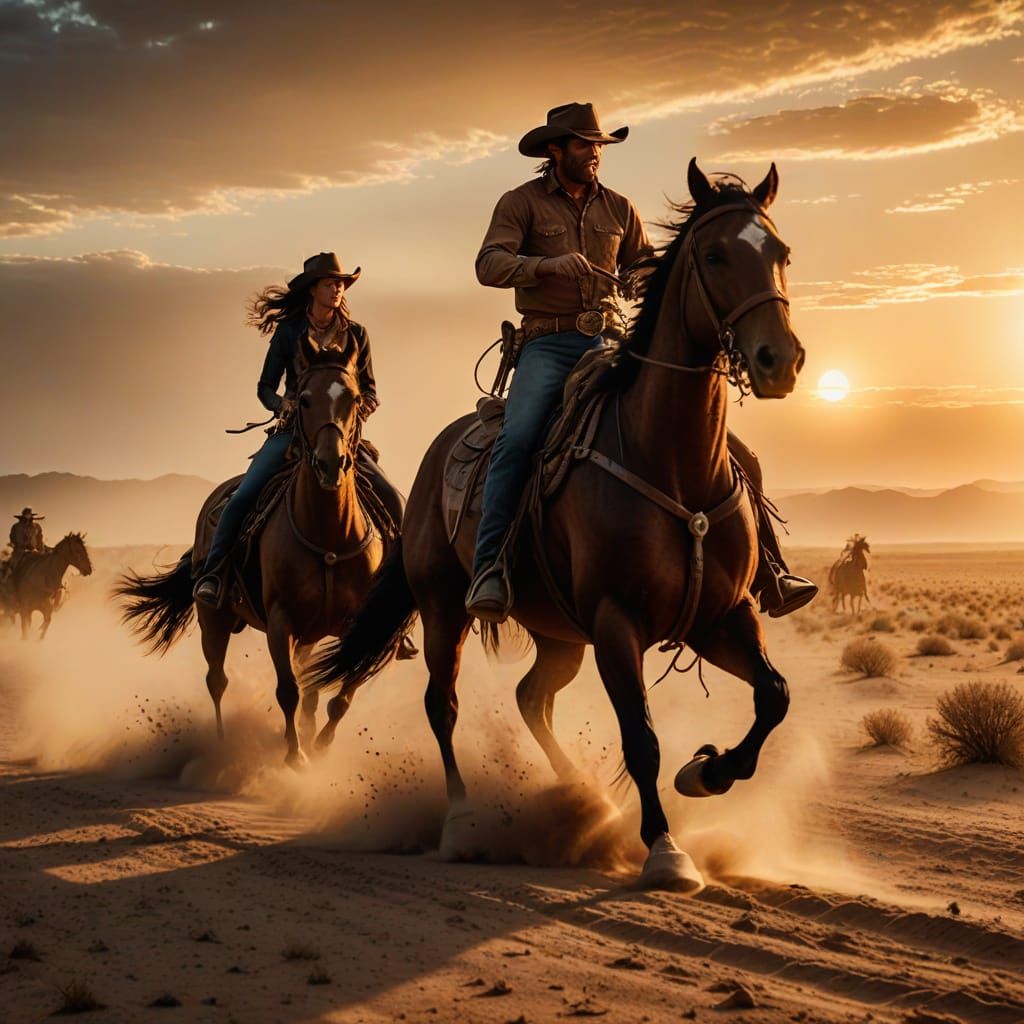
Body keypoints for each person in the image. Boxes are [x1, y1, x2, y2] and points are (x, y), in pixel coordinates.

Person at [465, 102, 817, 622]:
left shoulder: (619, 208)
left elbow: (641, 269)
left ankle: (769, 568)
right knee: (518, 439)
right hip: (547, 344)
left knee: (735, 451)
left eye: (599, 146)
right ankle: (490, 566)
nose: (595, 154)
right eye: (585, 145)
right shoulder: (522, 203)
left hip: (609, 342)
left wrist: (637, 278)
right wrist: (546, 265)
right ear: (556, 150)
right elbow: (488, 264)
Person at [192, 253, 407, 618]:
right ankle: (214, 576)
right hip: (294, 434)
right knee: (242, 498)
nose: (337, 288)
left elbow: (370, 388)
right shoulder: (289, 332)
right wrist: (282, 405)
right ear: (313, 290)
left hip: (344, 436)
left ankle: (396, 601)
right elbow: (264, 388)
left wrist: (363, 406)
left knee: (393, 500)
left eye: (341, 283)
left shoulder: (357, 335)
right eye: (330, 283)